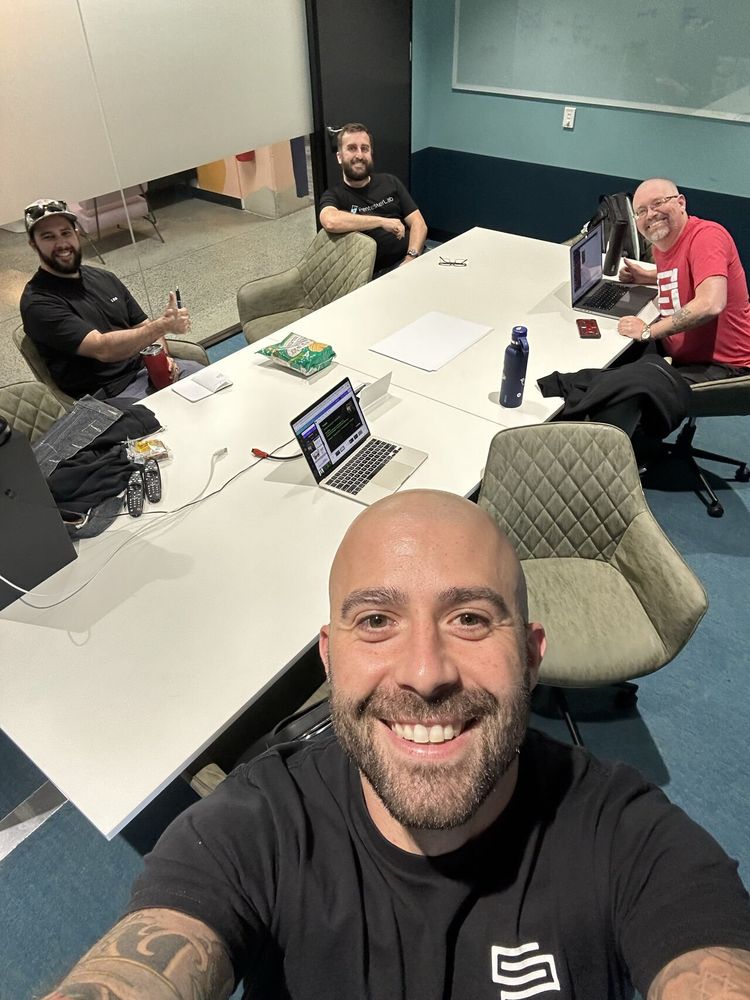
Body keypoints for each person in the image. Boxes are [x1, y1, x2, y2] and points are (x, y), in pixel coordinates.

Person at [41, 490, 750, 999]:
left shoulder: (632, 841)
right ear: (330, 657)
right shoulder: (249, 831)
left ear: (532, 657)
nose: (425, 673)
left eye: (470, 618)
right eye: (377, 620)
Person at [20, 198, 204, 401]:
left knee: (212, 385)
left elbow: (143, 325)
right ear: (33, 245)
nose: (62, 243)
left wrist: (163, 359)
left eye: (66, 233)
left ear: (77, 234)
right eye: (48, 237)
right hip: (109, 395)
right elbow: (103, 349)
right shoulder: (38, 302)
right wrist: (162, 326)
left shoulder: (104, 277)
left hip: (146, 371)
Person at [617, 177, 750, 383]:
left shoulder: (706, 237)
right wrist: (647, 276)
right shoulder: (663, 243)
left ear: (681, 203)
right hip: (682, 355)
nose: (650, 215)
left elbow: (710, 304)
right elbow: (686, 270)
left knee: (630, 389)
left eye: (658, 203)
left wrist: (648, 331)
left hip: (725, 367)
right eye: (641, 211)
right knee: (612, 371)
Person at [319, 123, 428, 275]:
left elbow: (418, 223)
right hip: (379, 273)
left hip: (414, 256)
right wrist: (381, 222)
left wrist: (411, 257)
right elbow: (330, 221)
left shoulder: (390, 181)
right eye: (352, 148)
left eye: (364, 148)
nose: (359, 155)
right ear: (339, 157)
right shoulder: (334, 195)